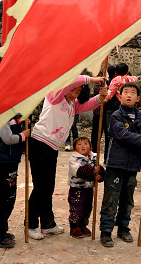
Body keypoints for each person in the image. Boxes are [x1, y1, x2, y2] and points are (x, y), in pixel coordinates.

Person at [28, 74, 107, 240]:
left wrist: (100, 98)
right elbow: (70, 80)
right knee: (40, 187)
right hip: (40, 144)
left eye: (77, 92)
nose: (73, 94)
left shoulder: (72, 104)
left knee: (48, 187)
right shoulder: (54, 95)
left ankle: (48, 224)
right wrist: (91, 79)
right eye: (72, 90)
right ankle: (31, 224)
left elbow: (87, 105)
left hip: (52, 147)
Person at [99, 82, 141, 247]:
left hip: (132, 166)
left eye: (132, 93)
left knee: (128, 200)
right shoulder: (115, 116)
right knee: (111, 199)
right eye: (125, 92)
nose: (129, 95)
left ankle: (123, 228)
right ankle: (106, 231)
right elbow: (122, 135)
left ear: (138, 99)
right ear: (120, 96)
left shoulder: (140, 118)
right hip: (115, 165)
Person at [0, 112, 30, 248]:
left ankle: (1, 230)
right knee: (2, 199)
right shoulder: (1, 115)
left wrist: (22, 122)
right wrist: (23, 135)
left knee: (9, 197)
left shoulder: (14, 114)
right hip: (1, 163)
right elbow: (8, 138)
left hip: (11, 161)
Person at [67, 137, 105, 238]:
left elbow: (101, 169)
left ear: (91, 148)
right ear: (74, 149)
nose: (83, 146)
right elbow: (79, 171)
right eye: (79, 144)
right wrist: (93, 171)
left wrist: (100, 176)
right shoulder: (74, 159)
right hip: (77, 189)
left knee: (87, 208)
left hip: (89, 188)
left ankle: (83, 225)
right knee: (77, 208)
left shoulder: (95, 157)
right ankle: (74, 227)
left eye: (85, 144)